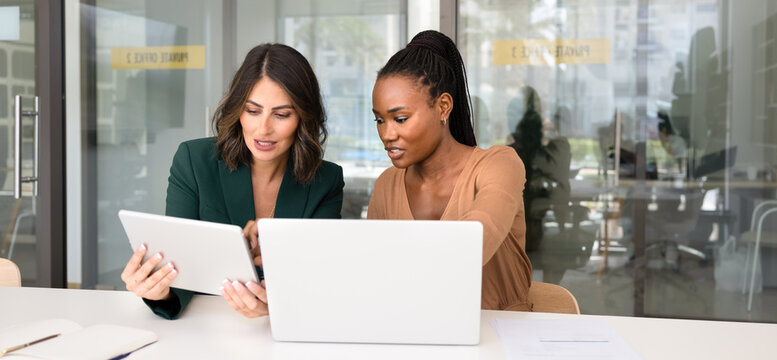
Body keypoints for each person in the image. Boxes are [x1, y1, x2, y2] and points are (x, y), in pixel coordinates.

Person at [120, 43, 344, 320]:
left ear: (303, 119)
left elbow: (320, 280)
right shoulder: (194, 160)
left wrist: (276, 307)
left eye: (282, 114)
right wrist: (157, 291)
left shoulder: (327, 180)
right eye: (252, 111)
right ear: (238, 110)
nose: (264, 129)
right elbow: (179, 269)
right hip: (202, 326)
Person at [368, 30, 532, 311]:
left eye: (401, 118)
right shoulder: (387, 184)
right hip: (416, 337)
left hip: (501, 343)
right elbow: (375, 276)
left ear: (443, 106)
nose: (387, 133)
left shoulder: (499, 166)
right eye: (380, 120)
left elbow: (474, 241)